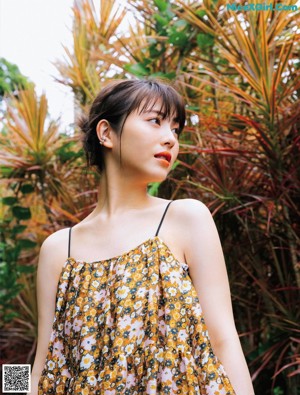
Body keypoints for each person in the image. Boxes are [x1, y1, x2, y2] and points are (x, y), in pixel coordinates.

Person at [28, 79, 255, 395]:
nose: (170, 139)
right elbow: (41, 360)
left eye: (175, 129)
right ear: (106, 133)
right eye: (155, 121)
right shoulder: (57, 248)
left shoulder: (186, 218)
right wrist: (9, 388)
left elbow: (224, 339)